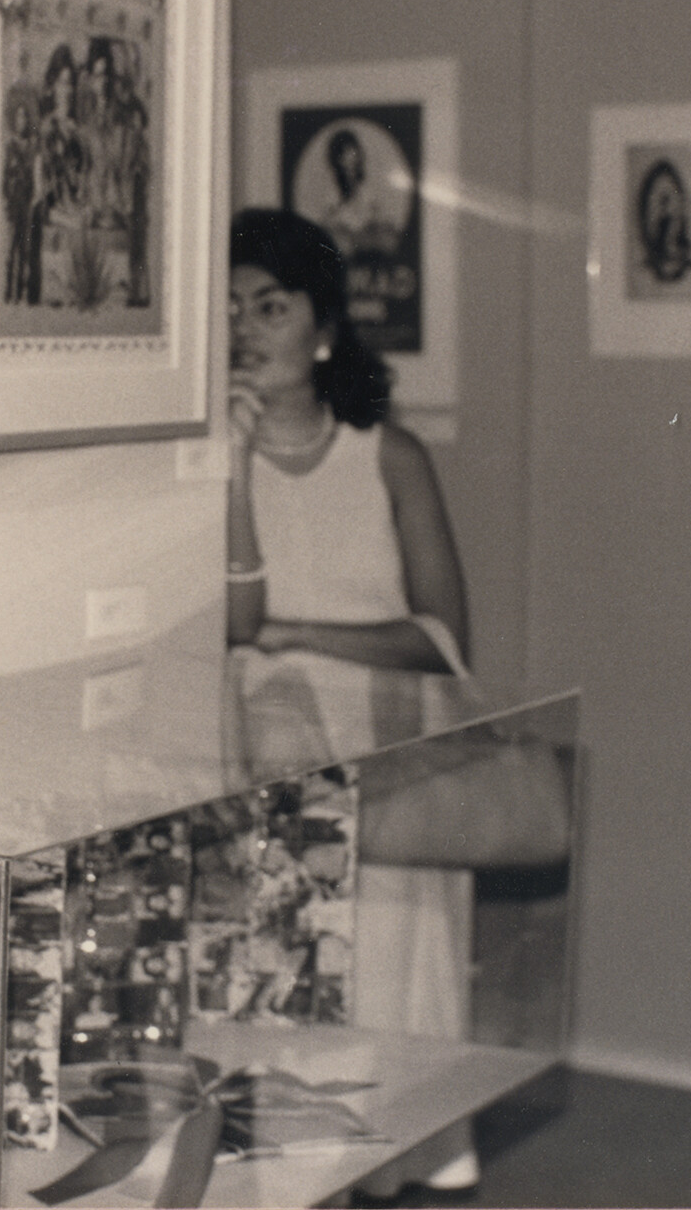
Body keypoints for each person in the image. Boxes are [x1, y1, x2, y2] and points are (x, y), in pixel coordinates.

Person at [224, 207, 480, 1196]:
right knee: (281, 1023)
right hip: (253, 766)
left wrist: (299, 635)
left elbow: (447, 638)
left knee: (386, 1012)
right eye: (233, 308)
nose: (248, 326)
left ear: (322, 327)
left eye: (272, 305)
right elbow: (229, 623)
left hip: (384, 764)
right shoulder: (204, 458)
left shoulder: (389, 454)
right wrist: (234, 470)